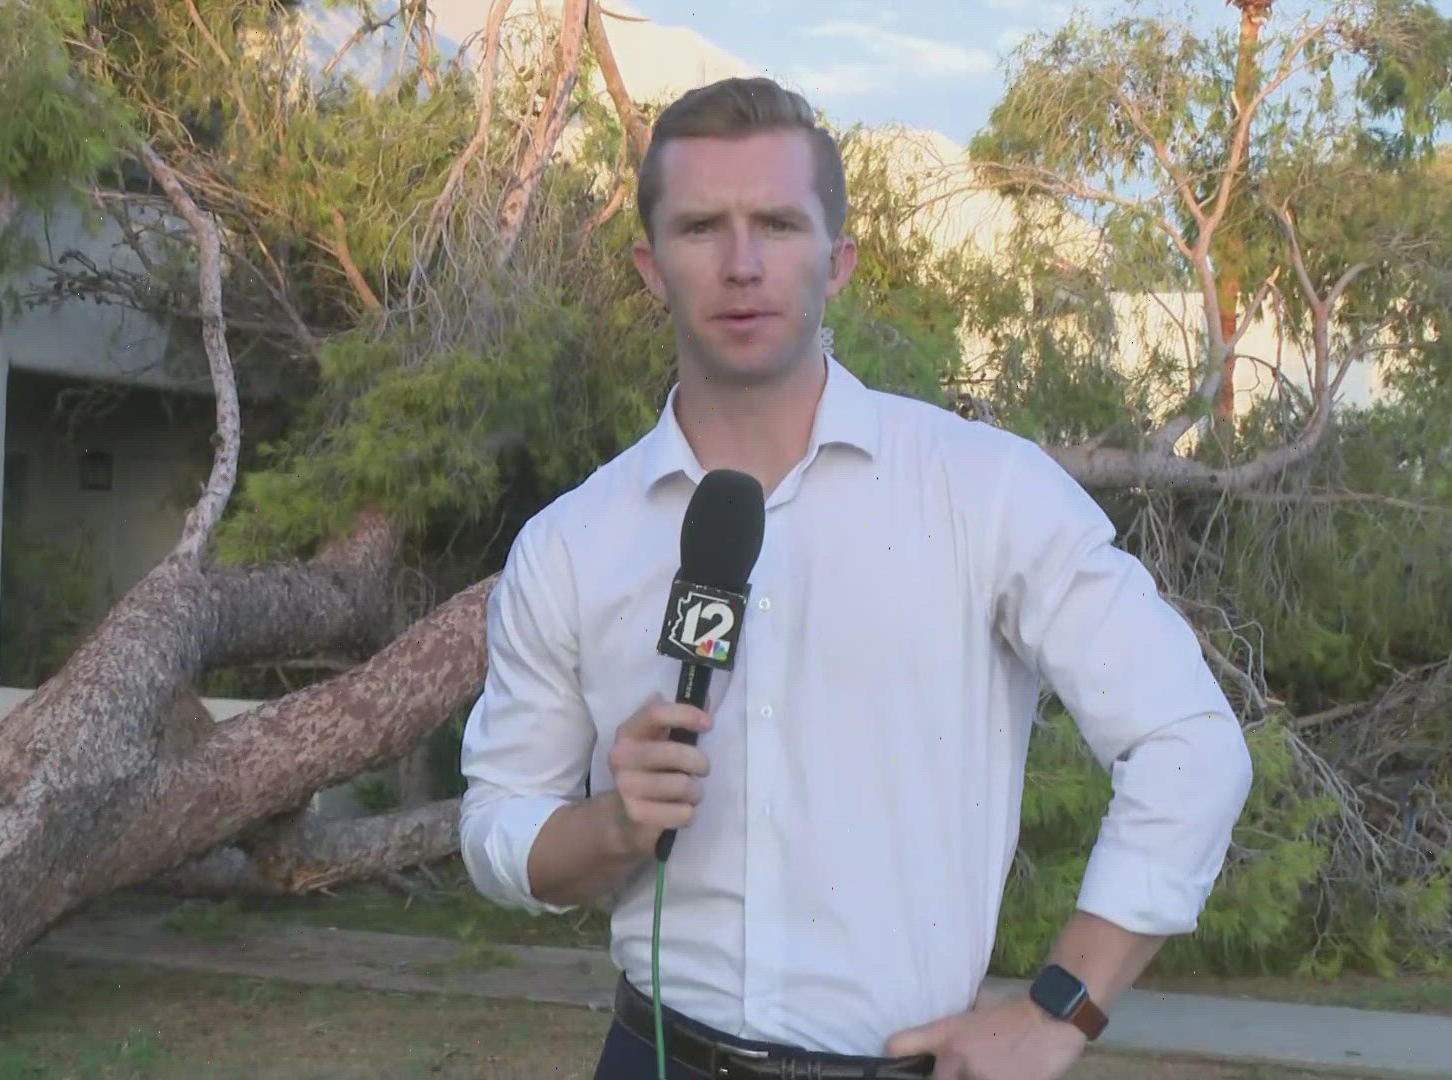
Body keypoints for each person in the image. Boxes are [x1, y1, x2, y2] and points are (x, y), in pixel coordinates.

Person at [458, 76, 1254, 1080]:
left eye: (778, 225)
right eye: (702, 227)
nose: (742, 265)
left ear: (837, 262)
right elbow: (498, 823)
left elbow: (1188, 743)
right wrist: (608, 825)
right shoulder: (571, 544)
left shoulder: (988, 492)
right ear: (650, 267)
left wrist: (1062, 1006)